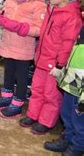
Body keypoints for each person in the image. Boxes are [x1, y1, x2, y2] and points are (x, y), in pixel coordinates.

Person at [19, 0, 83, 135]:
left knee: (51, 95)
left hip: (54, 64)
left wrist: (60, 65)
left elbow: (68, 43)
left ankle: (46, 121)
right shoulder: (51, 8)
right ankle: (33, 114)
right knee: (37, 89)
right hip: (42, 58)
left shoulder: (72, 17)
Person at [0, 0, 47, 118]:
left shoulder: (38, 5)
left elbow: (39, 29)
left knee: (21, 77)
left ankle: (18, 102)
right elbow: (4, 17)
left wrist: (25, 28)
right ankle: (6, 96)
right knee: (8, 72)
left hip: (23, 47)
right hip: (8, 43)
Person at [44, 16, 84, 155]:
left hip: (81, 90)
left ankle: (78, 147)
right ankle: (67, 138)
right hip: (71, 81)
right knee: (66, 113)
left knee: (79, 120)